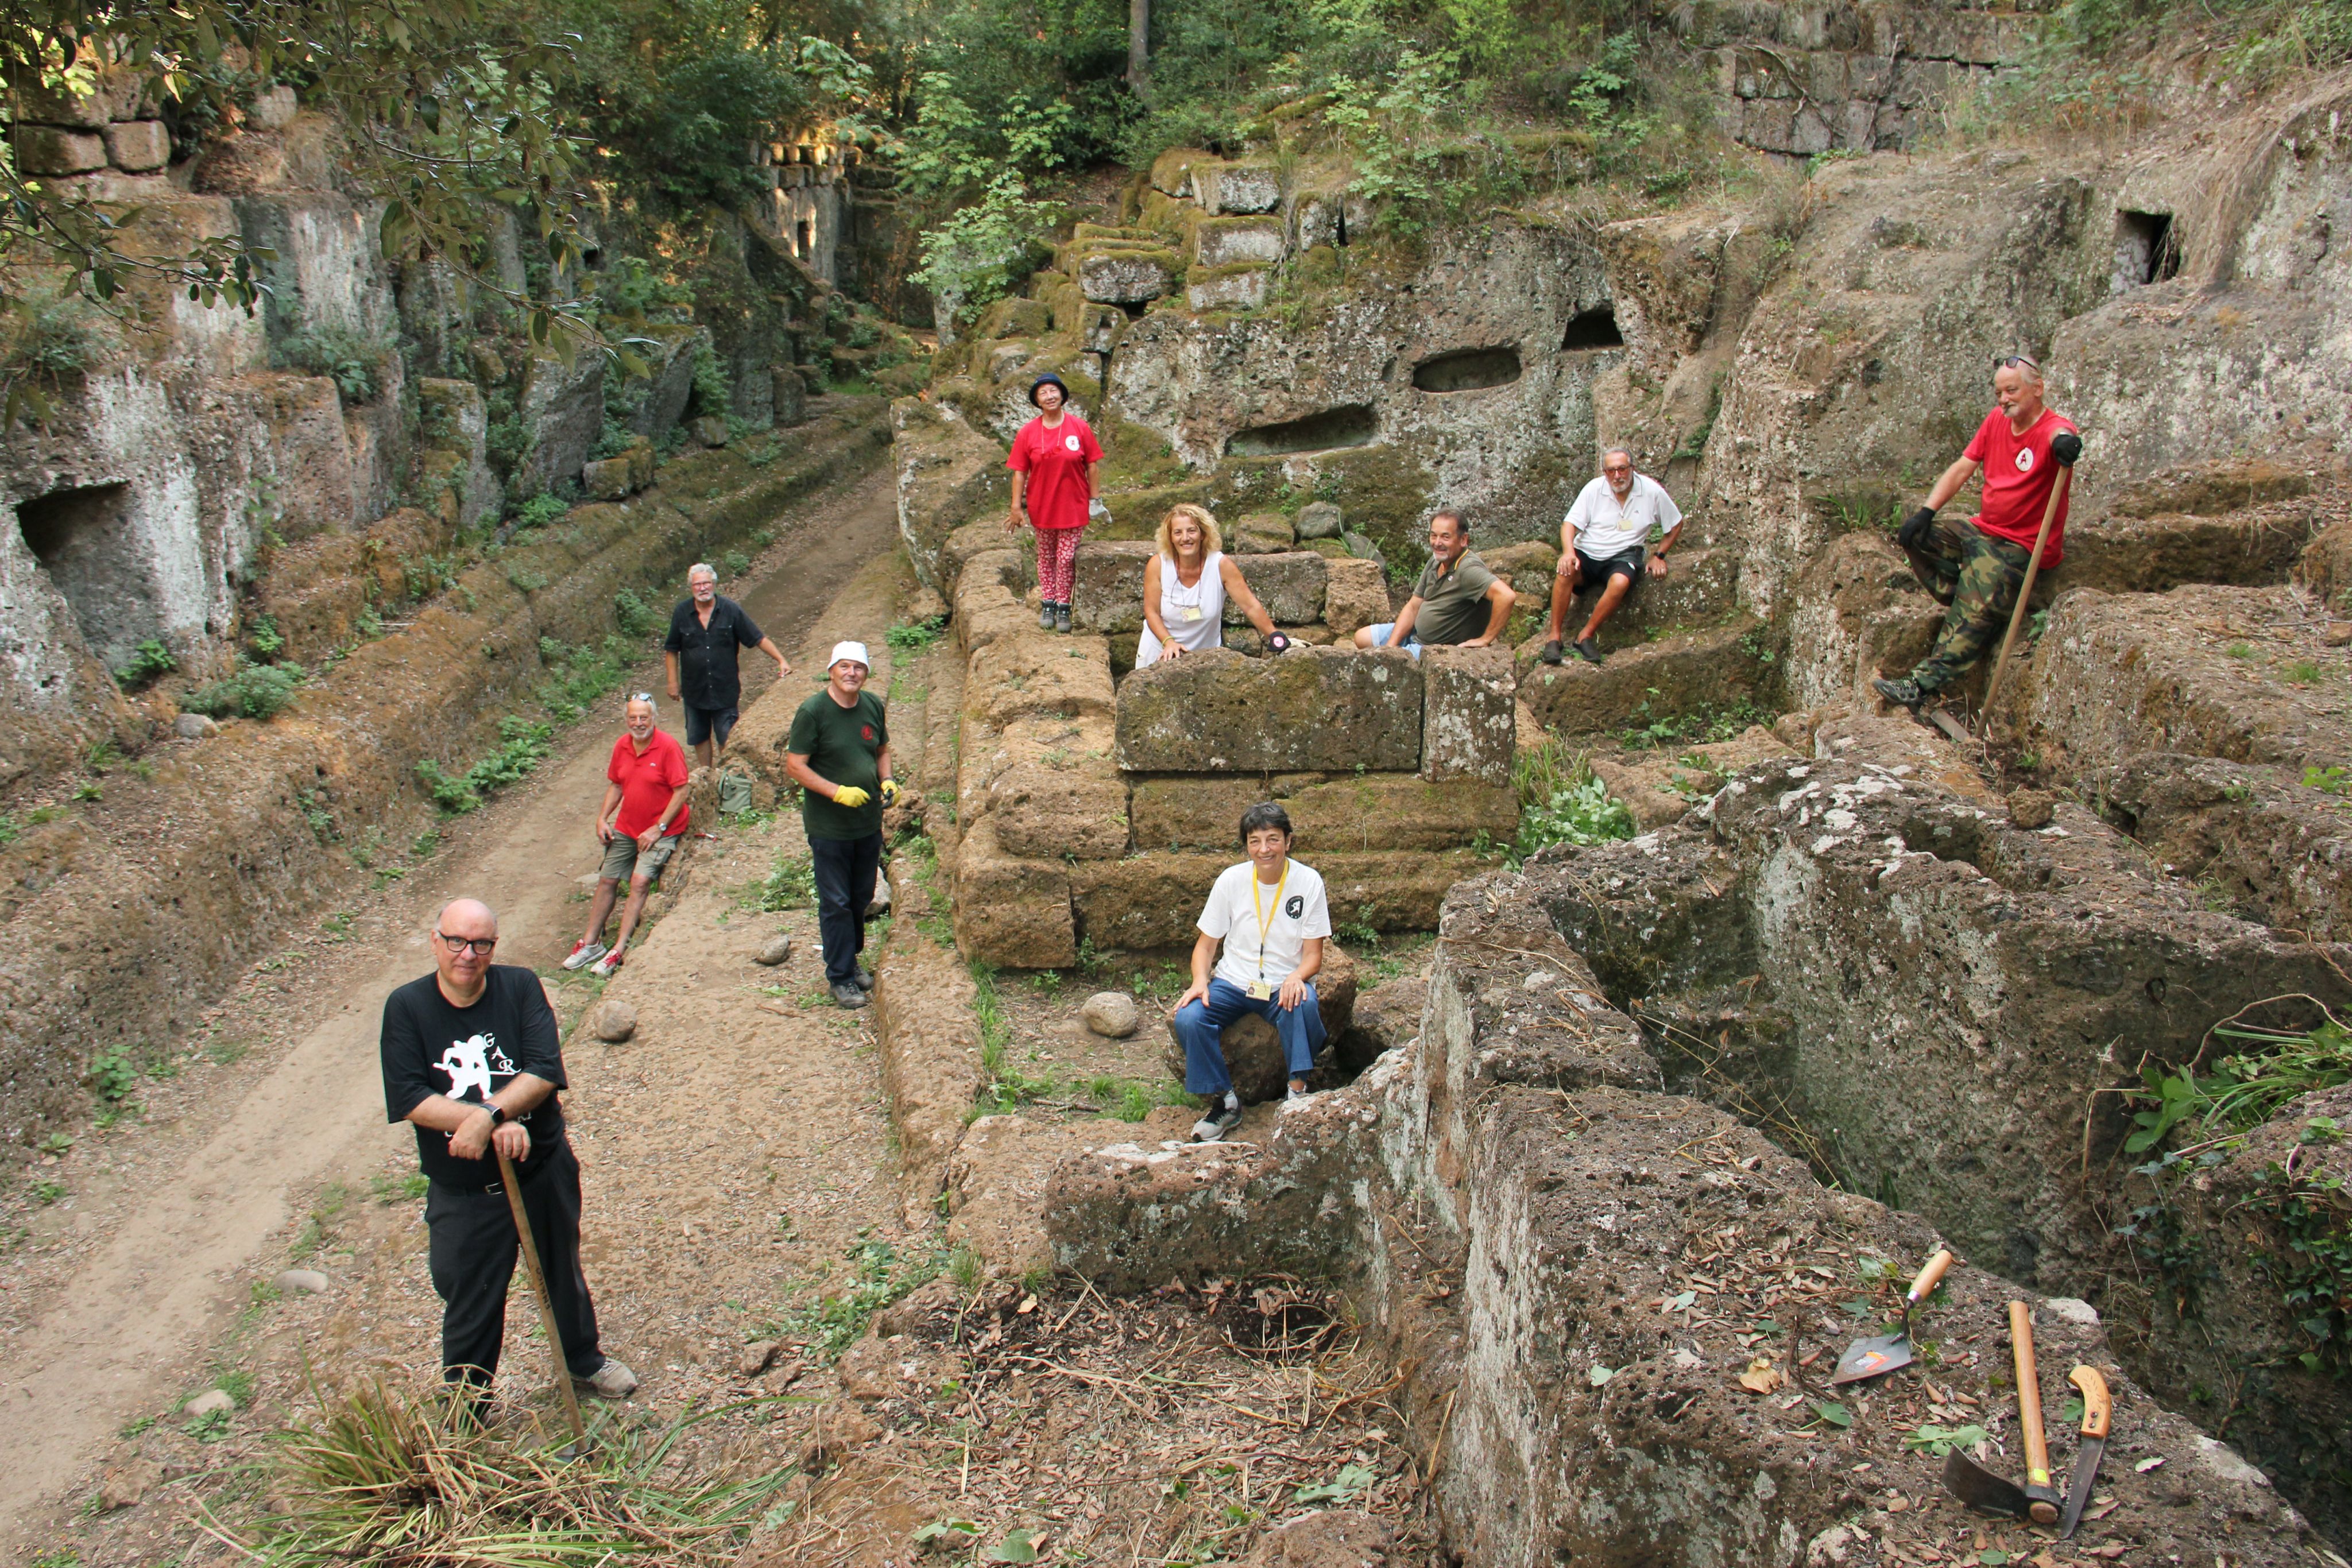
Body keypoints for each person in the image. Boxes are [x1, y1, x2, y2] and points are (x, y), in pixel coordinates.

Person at [380, 897, 637, 1403]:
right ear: (436, 941)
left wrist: (491, 1115)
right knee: (468, 1293)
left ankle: (583, 1360)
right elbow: (409, 1097)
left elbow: (543, 1068)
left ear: (493, 947)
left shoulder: (519, 988)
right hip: (465, 1188)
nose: (468, 954)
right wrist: (485, 1122)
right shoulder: (407, 1007)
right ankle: (468, 1403)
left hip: (540, 1167)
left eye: (480, 944)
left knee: (560, 1269)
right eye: (456, 941)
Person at [1873, 354, 2082, 708]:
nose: (2004, 400)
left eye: (2012, 390)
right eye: (1999, 392)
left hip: (2020, 546)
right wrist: (1926, 512)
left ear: (2038, 389)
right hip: (1983, 530)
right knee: (1918, 538)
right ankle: (1974, 600)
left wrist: (2066, 445)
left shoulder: (2053, 429)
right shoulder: (1996, 422)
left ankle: (1922, 685)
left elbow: (2061, 435)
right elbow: (1963, 467)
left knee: (1980, 595)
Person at [1170, 802, 1333, 1143]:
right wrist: (1201, 980)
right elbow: (1205, 946)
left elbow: (1314, 956)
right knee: (1189, 1017)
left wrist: (1296, 976)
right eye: (1255, 841)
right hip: (1233, 981)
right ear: (1246, 844)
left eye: (1273, 839)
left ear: (1288, 842)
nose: (1264, 849)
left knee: (1302, 1005)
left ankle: (1297, 1096)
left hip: (1281, 983)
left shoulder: (1308, 882)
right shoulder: (1231, 880)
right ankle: (1226, 1103)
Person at [784, 642, 896, 1009]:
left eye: (859, 668)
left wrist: (887, 780)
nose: (852, 674)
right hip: (830, 826)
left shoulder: (872, 705)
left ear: (866, 673)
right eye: (844, 667)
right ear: (831, 670)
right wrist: (836, 793)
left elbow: (881, 750)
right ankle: (840, 976)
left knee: (861, 897)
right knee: (836, 901)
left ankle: (851, 959)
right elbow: (796, 766)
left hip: (866, 822)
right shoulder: (813, 712)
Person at [563, 694, 690, 978]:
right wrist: (602, 818)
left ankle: (619, 949)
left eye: (644, 717)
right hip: (628, 825)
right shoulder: (622, 745)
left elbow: (682, 790)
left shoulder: (668, 747)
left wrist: (659, 828)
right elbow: (617, 784)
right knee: (607, 879)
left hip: (662, 828)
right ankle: (591, 943)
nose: (638, 723)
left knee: (640, 881)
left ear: (654, 718)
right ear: (626, 720)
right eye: (633, 717)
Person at [1542, 448, 1684, 667]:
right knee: (1566, 570)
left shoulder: (1651, 492)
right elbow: (1569, 524)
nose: (1617, 476)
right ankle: (1554, 637)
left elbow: (1675, 524)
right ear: (1604, 472)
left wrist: (1659, 555)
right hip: (1588, 552)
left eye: (1622, 469)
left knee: (1621, 582)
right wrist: (1568, 552)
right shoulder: (1594, 489)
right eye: (1611, 471)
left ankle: (1585, 636)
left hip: (1623, 553)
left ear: (1632, 469)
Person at [664, 562, 791, 769]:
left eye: (706, 583)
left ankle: (729, 777)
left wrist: (781, 660)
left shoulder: (731, 610)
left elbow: (757, 638)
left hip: (725, 691)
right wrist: (672, 682)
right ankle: (707, 774)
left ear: (714, 584)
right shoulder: (682, 613)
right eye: (697, 584)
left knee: (727, 738)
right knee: (699, 736)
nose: (702, 588)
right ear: (691, 587)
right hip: (694, 691)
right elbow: (671, 649)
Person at [1005, 372, 1104, 634]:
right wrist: (1016, 507)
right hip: (1042, 505)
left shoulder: (1079, 427)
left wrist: (1096, 500)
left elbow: (1092, 465)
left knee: (1066, 557)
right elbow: (1019, 472)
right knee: (1046, 556)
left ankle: (1064, 607)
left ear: (1062, 395)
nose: (1049, 397)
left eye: (1053, 391)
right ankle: (1048, 602)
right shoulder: (1028, 433)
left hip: (1074, 504)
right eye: (1043, 393)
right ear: (1037, 401)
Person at [1135, 504, 1289, 668]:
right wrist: (1169, 642)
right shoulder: (1158, 564)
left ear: (1202, 534)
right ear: (1171, 538)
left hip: (1204, 656)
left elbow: (1250, 606)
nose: (1185, 538)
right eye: (1178, 533)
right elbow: (1152, 612)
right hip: (1160, 647)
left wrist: (1274, 635)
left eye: (1192, 531)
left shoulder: (1220, 565)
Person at [1351, 510, 1515, 656]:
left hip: (1432, 649)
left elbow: (1506, 596)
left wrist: (1485, 639)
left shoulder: (1468, 569)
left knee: (1380, 661)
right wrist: (1391, 648)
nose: (1437, 543)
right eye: (1433, 535)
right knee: (1362, 637)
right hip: (1416, 633)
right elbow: (1414, 606)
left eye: (1445, 537)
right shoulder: (1436, 561)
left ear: (1463, 540)